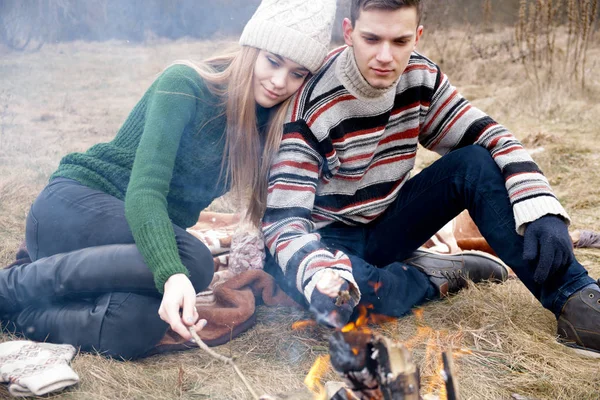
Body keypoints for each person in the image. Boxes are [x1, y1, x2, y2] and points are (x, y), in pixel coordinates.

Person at [0, 0, 337, 360]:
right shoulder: (184, 85)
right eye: (272, 61)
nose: (279, 81)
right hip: (72, 210)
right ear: (251, 48)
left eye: (297, 73)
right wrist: (173, 274)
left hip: (125, 252)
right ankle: (10, 288)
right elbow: (144, 193)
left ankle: (23, 314)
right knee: (194, 261)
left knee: (138, 323)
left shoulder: (268, 126)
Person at [262, 0, 600, 356]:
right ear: (349, 32)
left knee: (474, 163)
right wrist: (317, 272)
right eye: (371, 39)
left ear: (417, 36)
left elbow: (488, 134)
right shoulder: (311, 103)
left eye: (399, 42)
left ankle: (576, 301)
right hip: (326, 239)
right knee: (347, 300)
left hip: (386, 224)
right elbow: (284, 223)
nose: (384, 56)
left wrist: (540, 207)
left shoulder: (419, 77)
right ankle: (432, 277)